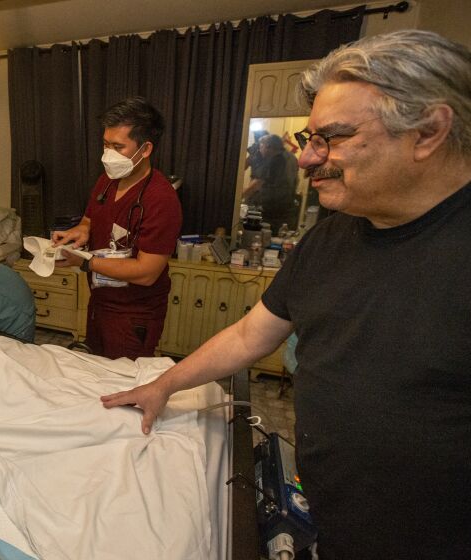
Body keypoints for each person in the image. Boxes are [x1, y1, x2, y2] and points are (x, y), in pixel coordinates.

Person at [102, 30, 471, 559]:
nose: (306, 160)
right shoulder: (331, 237)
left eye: (332, 138)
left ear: (428, 131)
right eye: (307, 139)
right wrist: (165, 384)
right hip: (338, 516)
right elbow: (252, 333)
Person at [52, 97, 182, 360]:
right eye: (105, 145)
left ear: (145, 149)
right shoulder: (107, 181)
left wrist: (85, 262)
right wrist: (80, 231)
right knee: (97, 373)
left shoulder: (161, 199)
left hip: (133, 315)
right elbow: (91, 218)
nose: (107, 155)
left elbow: (146, 273)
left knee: (122, 387)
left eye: (118, 147)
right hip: (100, 304)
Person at [242, 133, 299, 232]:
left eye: (261, 146)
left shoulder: (273, 160)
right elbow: (296, 180)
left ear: (268, 147)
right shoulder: (291, 157)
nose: (259, 150)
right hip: (286, 208)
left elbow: (257, 183)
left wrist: (239, 198)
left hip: (272, 212)